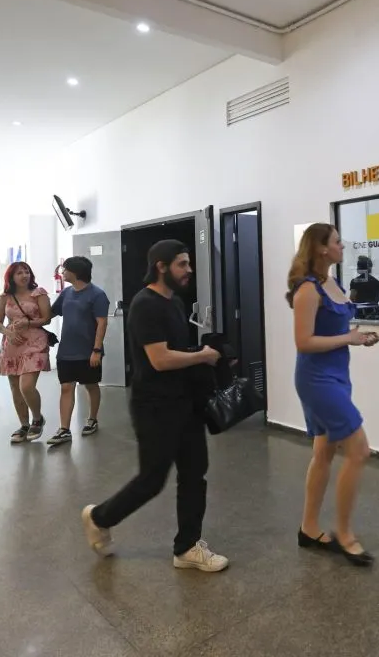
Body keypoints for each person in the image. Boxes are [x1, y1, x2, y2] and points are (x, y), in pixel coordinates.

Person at [80, 240, 229, 572]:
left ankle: (187, 548)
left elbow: (175, 349)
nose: (189, 270)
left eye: (189, 263)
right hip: (155, 407)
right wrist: (202, 356)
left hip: (185, 403)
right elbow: (159, 359)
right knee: (152, 479)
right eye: (182, 264)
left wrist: (202, 352)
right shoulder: (145, 305)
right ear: (161, 266)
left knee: (194, 474)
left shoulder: (174, 302)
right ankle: (99, 516)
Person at [290, 223, 379, 566]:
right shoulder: (308, 290)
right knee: (359, 451)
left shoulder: (333, 283)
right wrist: (349, 339)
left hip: (337, 376)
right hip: (317, 380)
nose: (344, 246)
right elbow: (304, 342)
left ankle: (309, 528)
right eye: (337, 242)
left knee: (324, 452)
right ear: (321, 249)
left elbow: (338, 331)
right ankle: (344, 535)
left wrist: (359, 336)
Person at [47, 256, 110, 445]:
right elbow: (49, 314)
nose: (62, 273)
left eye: (65, 270)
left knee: (90, 385)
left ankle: (92, 419)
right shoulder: (66, 293)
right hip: (66, 350)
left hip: (88, 351)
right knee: (66, 387)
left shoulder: (97, 295)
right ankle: (64, 429)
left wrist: (96, 350)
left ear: (75, 272)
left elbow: (102, 323)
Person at [0, 262, 53, 443]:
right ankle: (24, 425)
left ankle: (37, 418)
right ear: (11, 277)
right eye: (19, 273)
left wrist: (28, 323)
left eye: (26, 271)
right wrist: (8, 332)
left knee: (26, 386)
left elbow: (47, 319)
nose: (24, 275)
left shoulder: (39, 293)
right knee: (15, 389)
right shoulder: (5, 296)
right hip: (11, 345)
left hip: (35, 343)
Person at [348, 255, 379, 321]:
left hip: (360, 312)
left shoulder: (355, 281)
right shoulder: (375, 281)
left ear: (359, 267)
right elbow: (378, 298)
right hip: (373, 312)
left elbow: (352, 297)